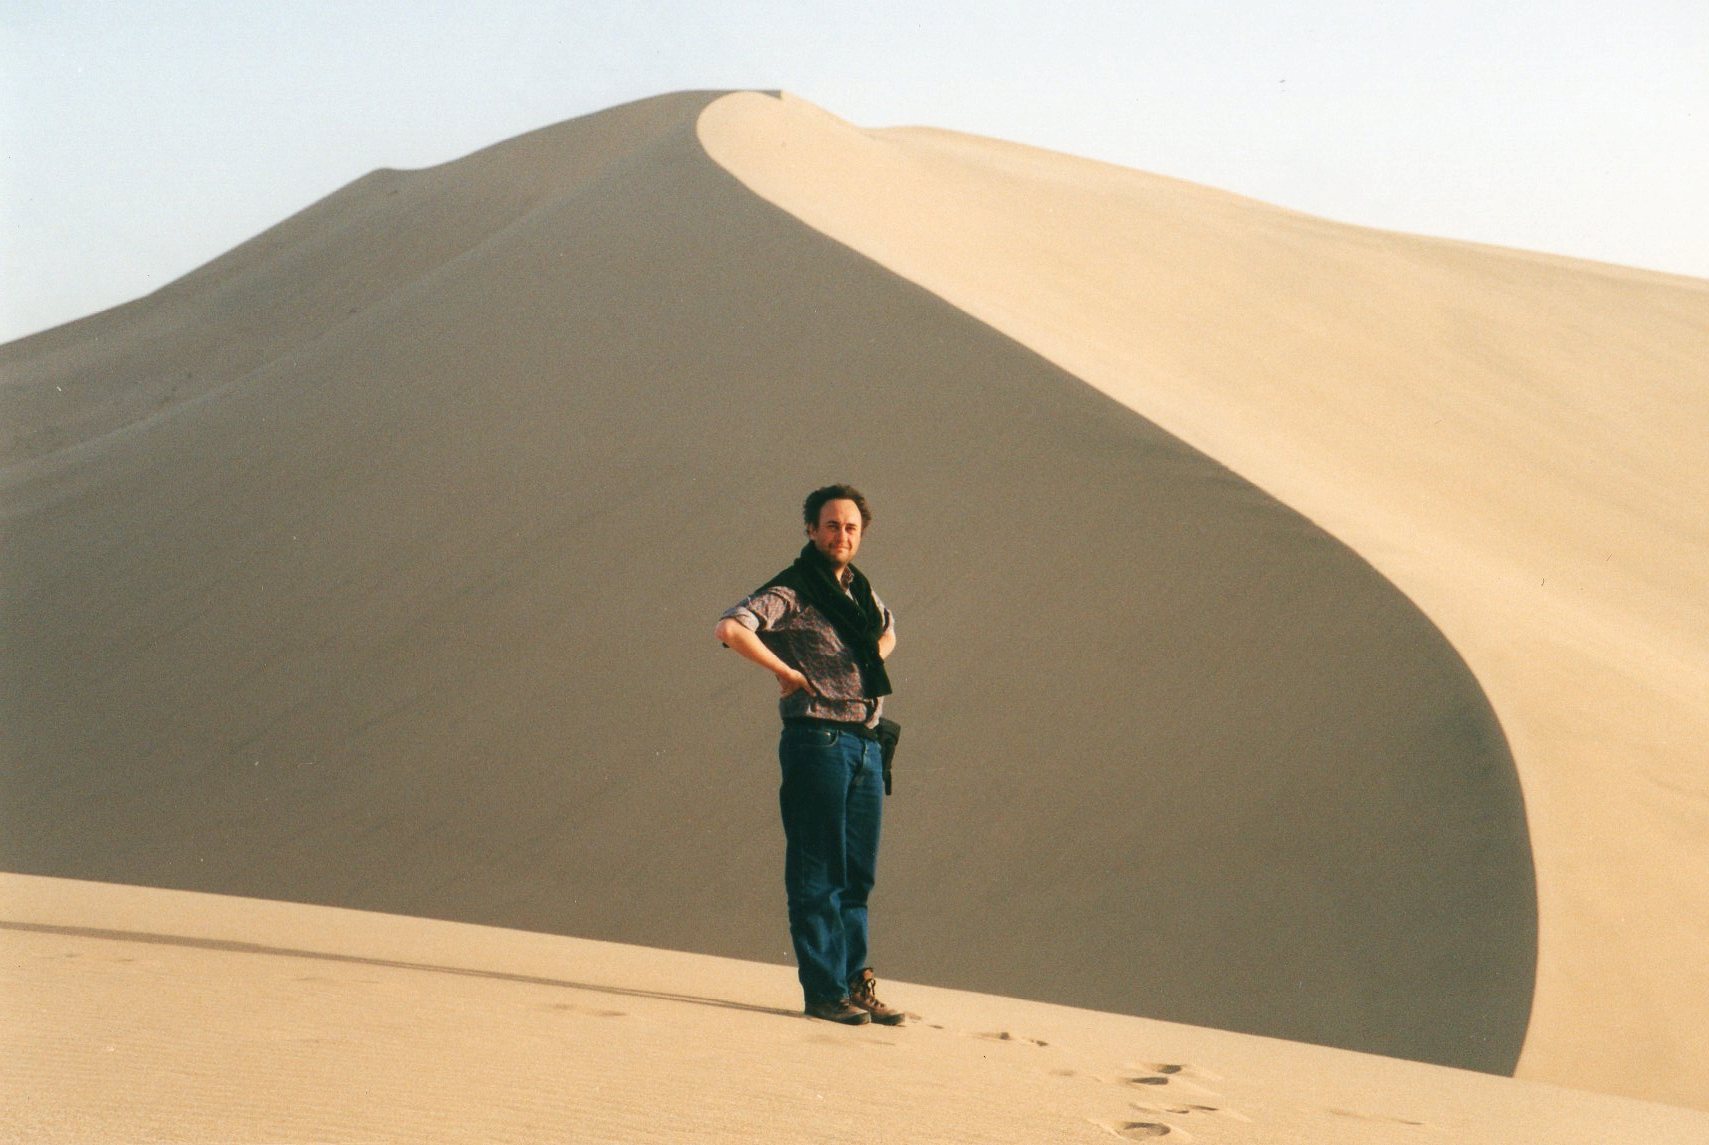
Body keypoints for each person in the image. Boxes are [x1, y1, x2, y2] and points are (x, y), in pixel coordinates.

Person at [714, 484, 906, 1026]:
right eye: (830, 525)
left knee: (857, 874)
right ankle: (824, 993)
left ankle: (853, 981)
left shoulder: (862, 596)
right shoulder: (795, 588)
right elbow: (731, 627)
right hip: (818, 740)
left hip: (866, 745)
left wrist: (864, 658)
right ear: (811, 530)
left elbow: (889, 632)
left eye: (850, 527)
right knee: (819, 870)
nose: (840, 535)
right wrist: (787, 671)